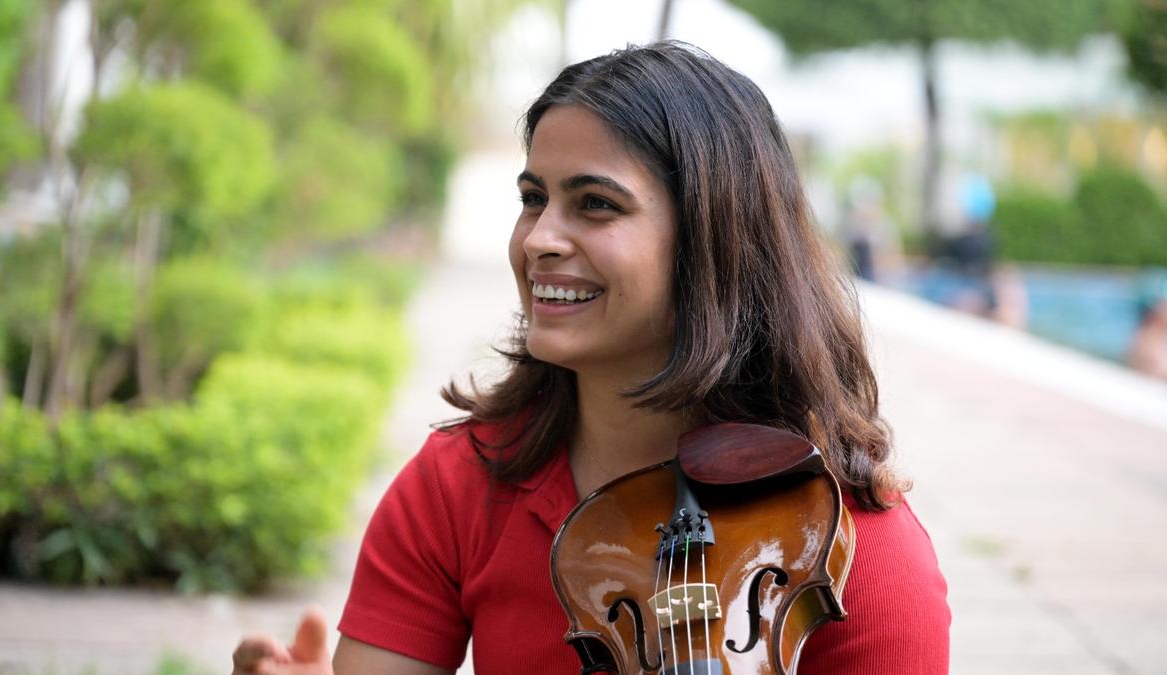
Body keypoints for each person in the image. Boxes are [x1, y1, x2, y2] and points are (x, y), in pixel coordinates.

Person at [232, 41, 950, 675]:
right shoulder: (459, 486)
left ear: (715, 238)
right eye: (532, 197)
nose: (540, 237)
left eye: (596, 204)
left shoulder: (858, 555)